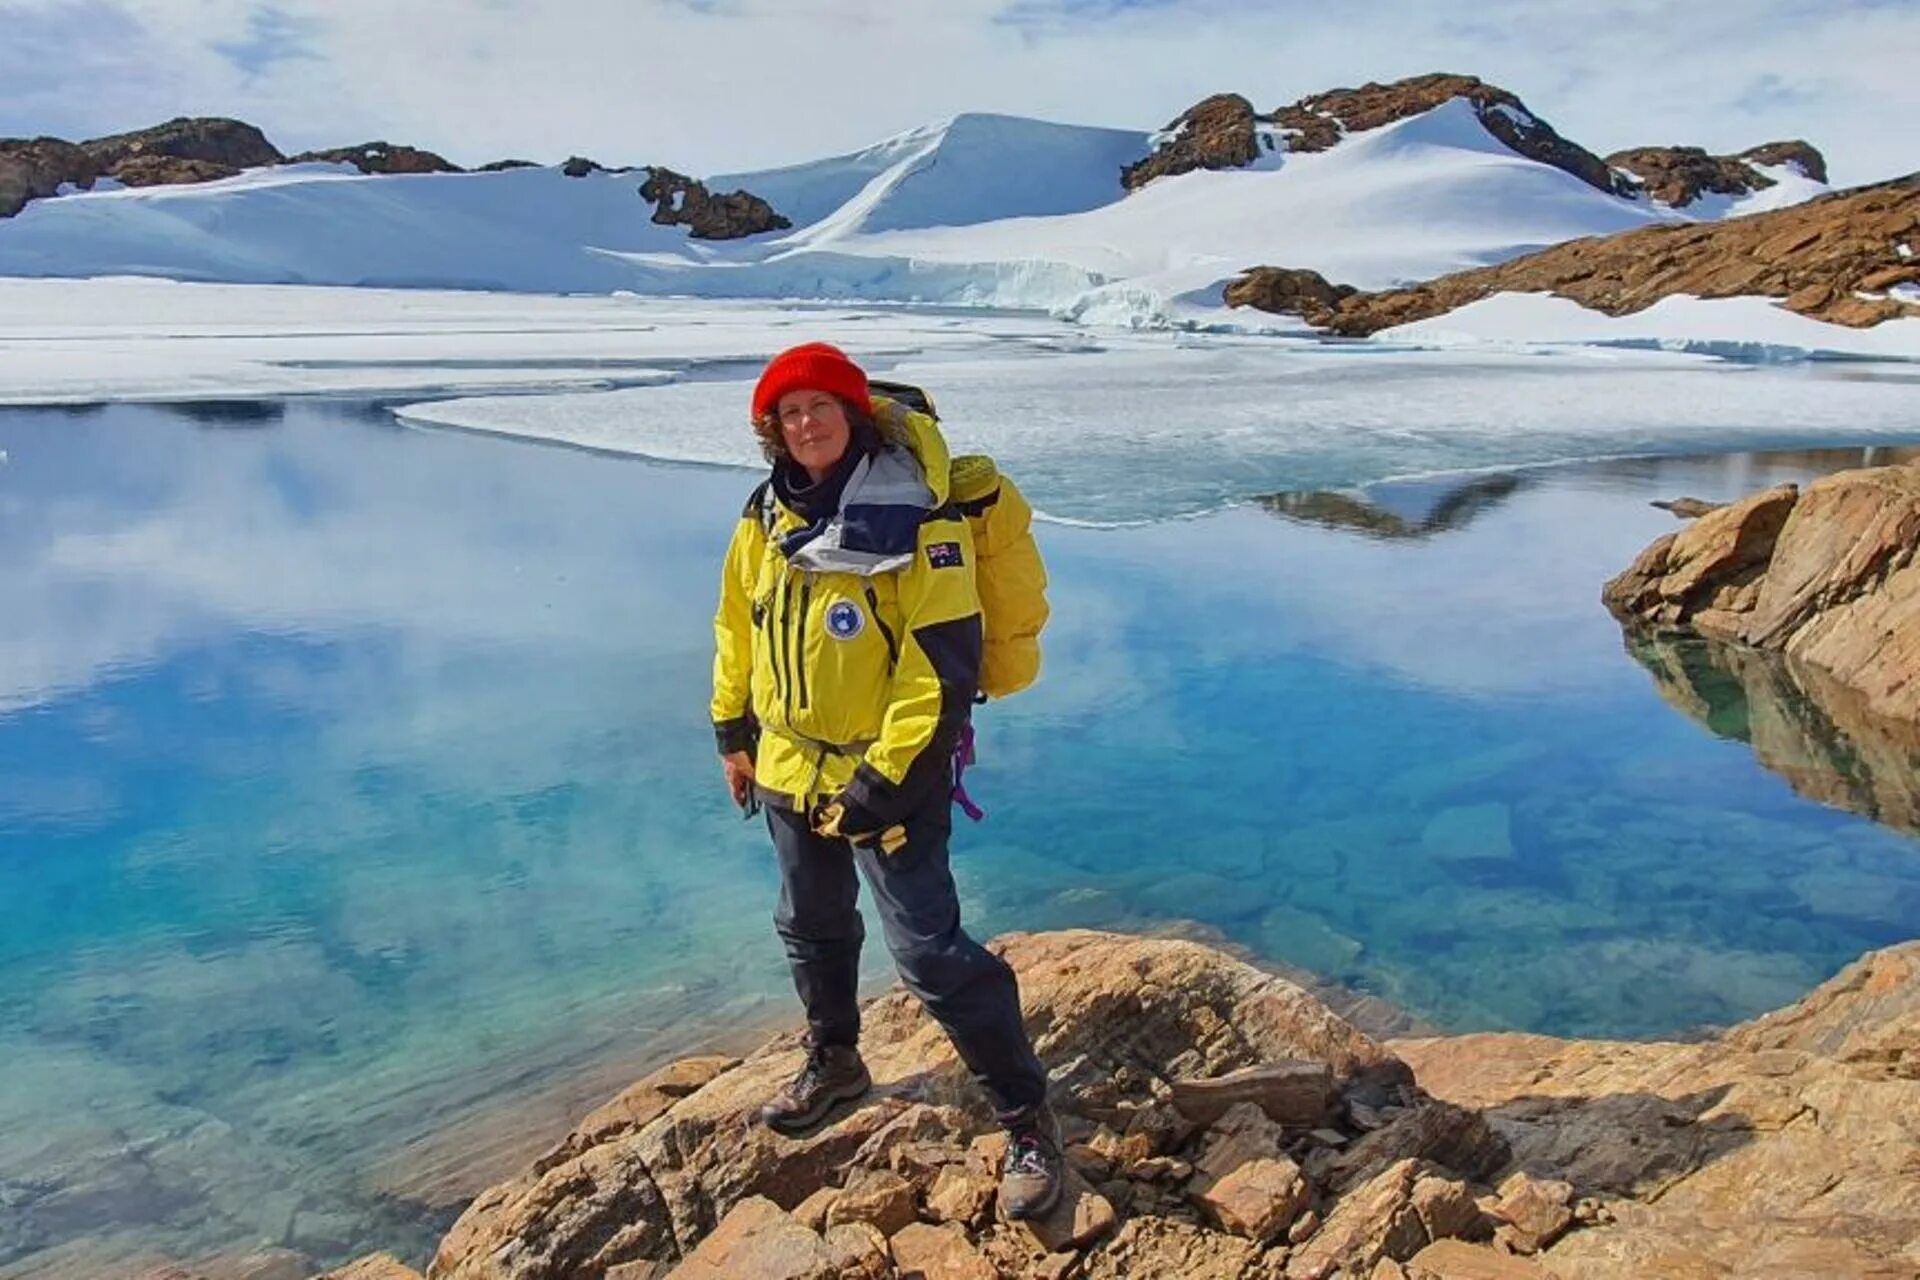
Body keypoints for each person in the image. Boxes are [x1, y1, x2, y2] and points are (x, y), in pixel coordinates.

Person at [710, 341, 1063, 1220]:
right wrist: (732, 730)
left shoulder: (920, 520)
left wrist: (882, 778)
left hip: (888, 769)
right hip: (789, 759)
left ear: (854, 414)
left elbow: (938, 666)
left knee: (930, 954)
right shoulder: (765, 516)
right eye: (788, 415)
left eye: (820, 407)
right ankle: (836, 1060)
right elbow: (736, 627)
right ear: (773, 433)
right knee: (811, 923)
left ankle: (1027, 1118)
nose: (805, 425)